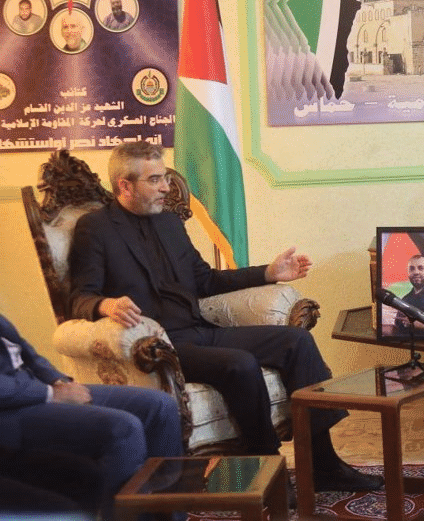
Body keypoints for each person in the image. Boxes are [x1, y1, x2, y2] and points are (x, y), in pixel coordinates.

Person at [68, 141, 384, 492]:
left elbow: (205, 280)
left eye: (166, 178)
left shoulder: (170, 223)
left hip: (199, 330)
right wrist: (106, 305)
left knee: (297, 341)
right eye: (155, 180)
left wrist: (268, 273)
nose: (166, 188)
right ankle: (266, 470)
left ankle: (323, 465)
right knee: (240, 364)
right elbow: (79, 298)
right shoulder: (95, 228)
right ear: (125, 186)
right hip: (160, 345)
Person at [0, 313, 183, 518]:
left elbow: (24, 351)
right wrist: (50, 394)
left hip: (34, 388)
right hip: (10, 409)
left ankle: (168, 515)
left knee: (160, 405)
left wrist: (58, 381)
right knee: (123, 429)